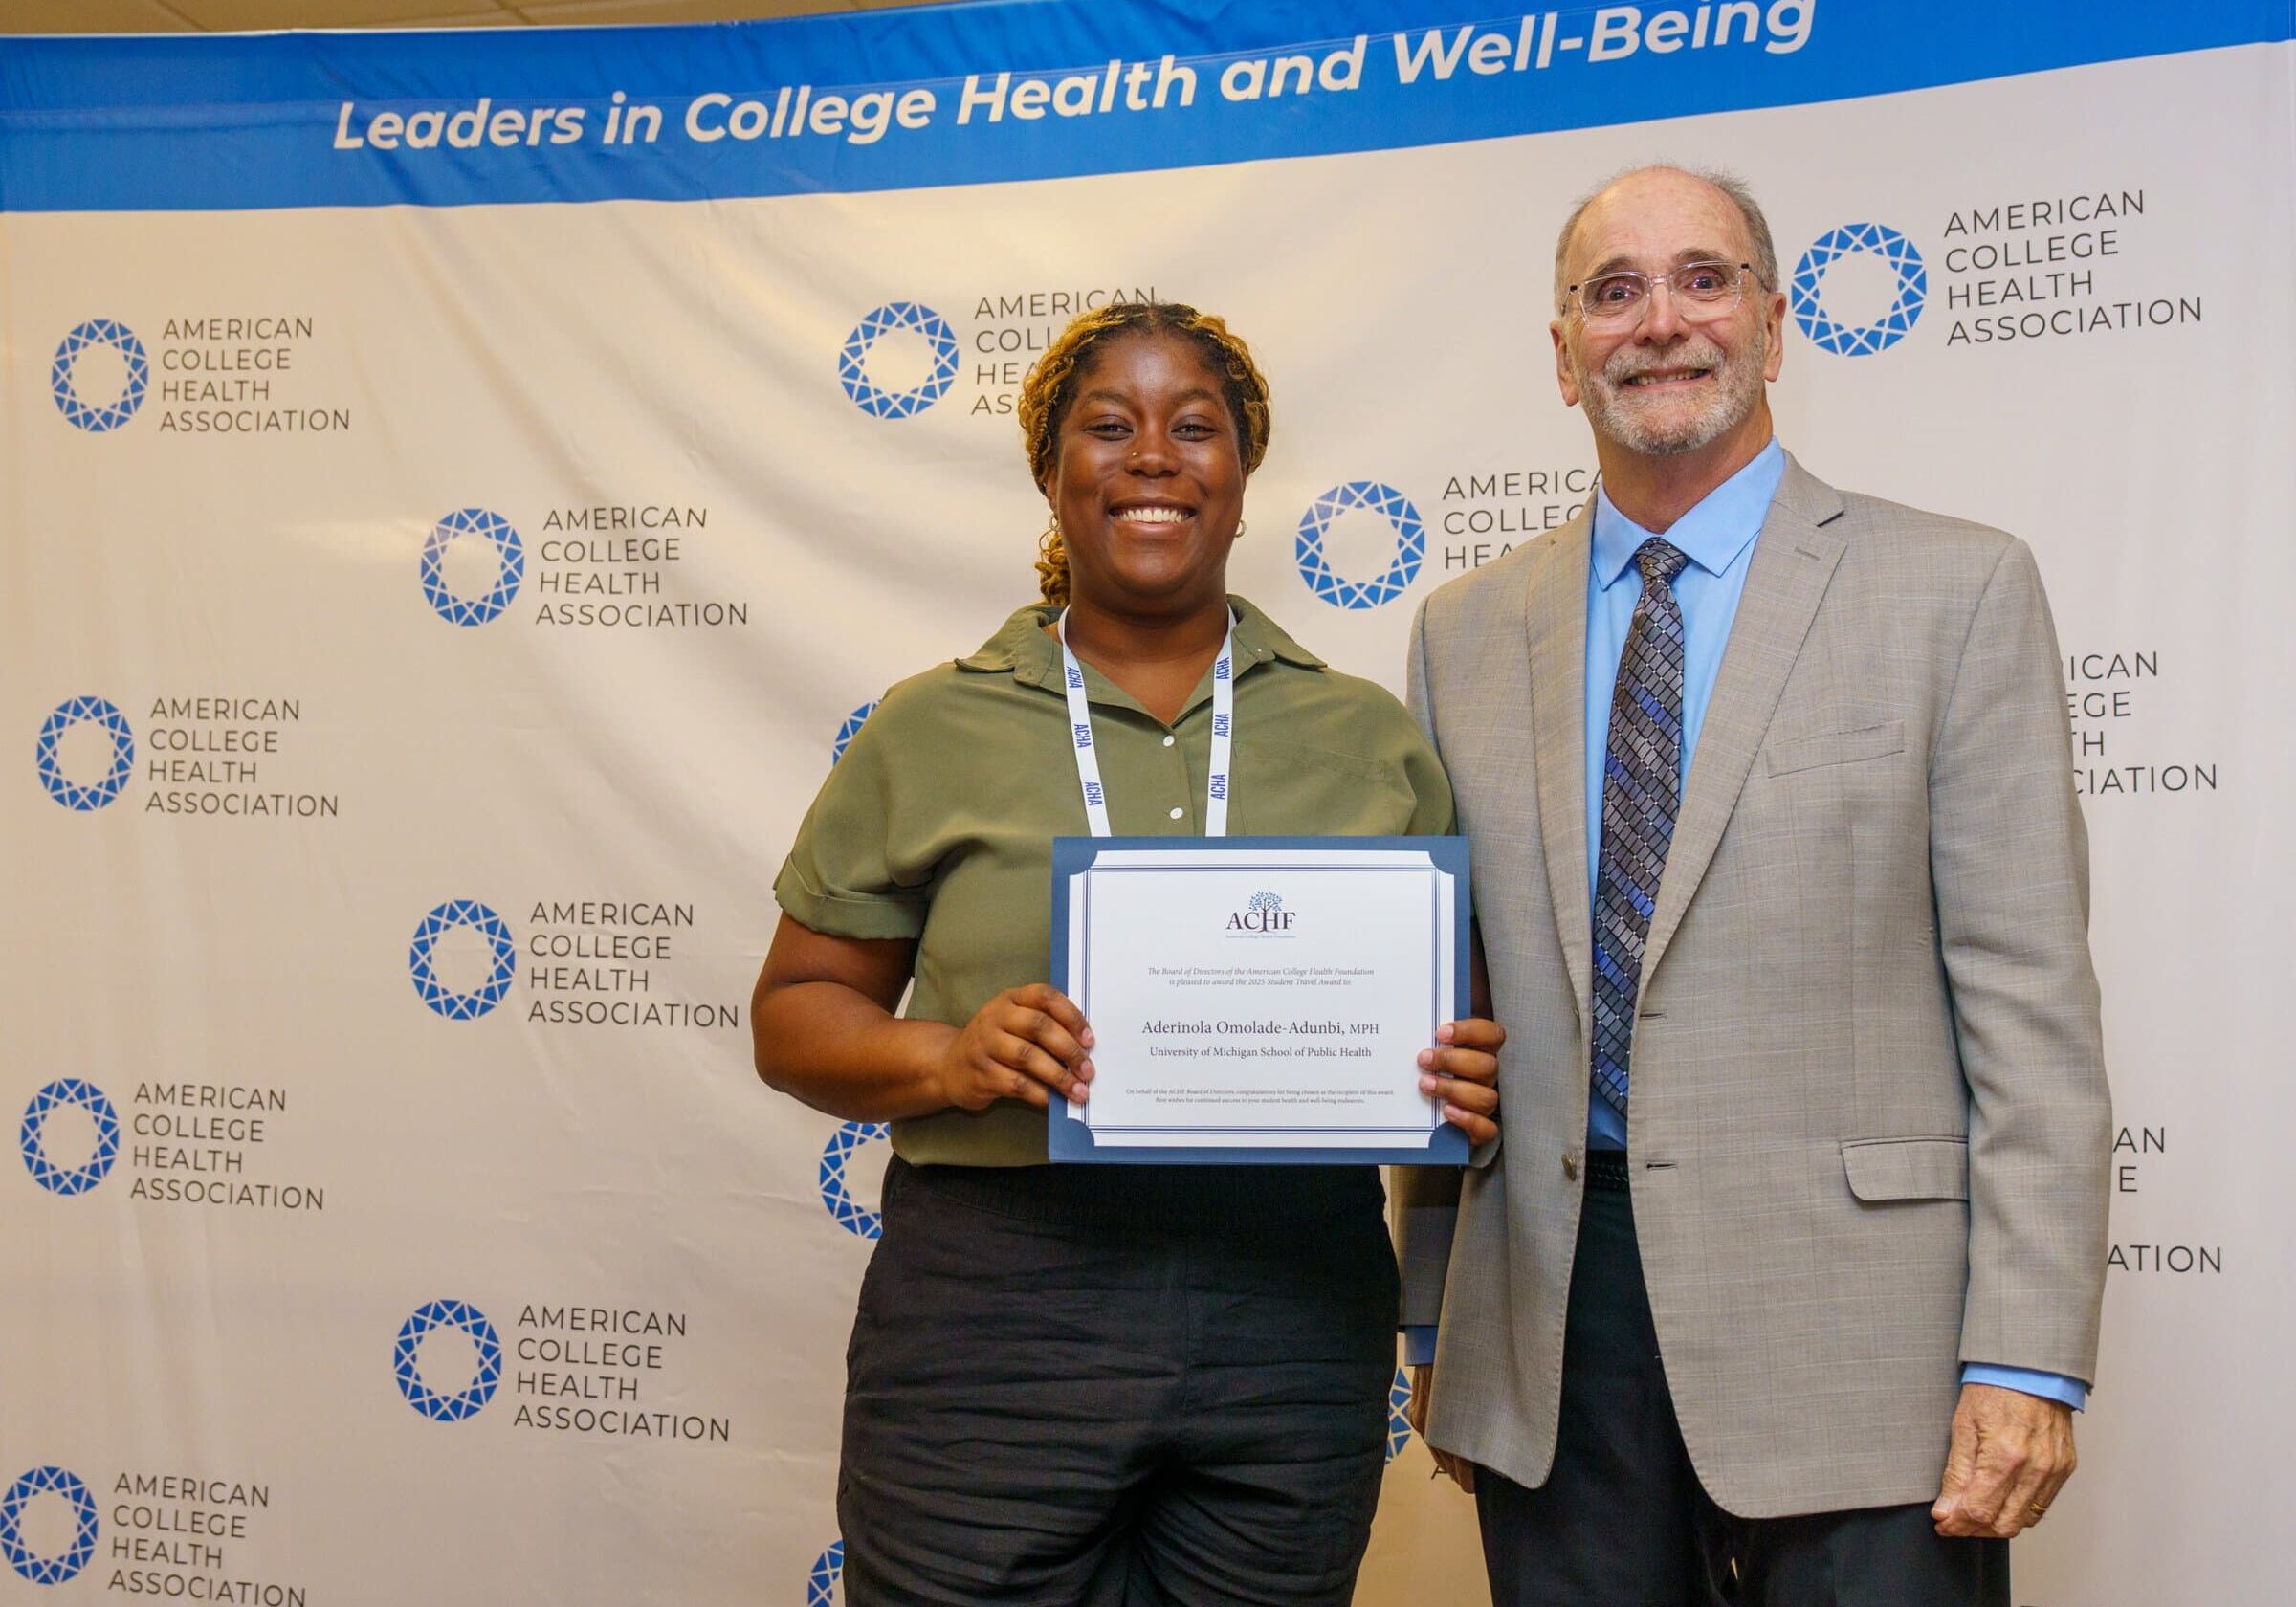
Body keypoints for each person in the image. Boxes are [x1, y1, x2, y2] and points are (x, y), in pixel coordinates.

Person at [1397, 166, 2110, 1605]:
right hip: (1554, 1336)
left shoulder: (1954, 592)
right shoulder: (1463, 633)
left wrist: (2025, 1357)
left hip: (1866, 1349)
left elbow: (2032, 1010)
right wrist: (1438, 1329)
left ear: (1775, 329)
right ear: (1560, 354)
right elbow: (1448, 1006)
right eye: (1614, 292)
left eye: (1703, 279)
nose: (1660, 322)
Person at [752, 301, 1506, 1606]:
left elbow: (1454, 1041)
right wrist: (949, 1052)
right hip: (999, 1311)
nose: (1152, 455)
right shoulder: (932, 726)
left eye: (1194, 427)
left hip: (1289, 1309)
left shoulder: (1365, 735)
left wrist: (1463, 1078)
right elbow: (795, 1014)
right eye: (1109, 426)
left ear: (1242, 472)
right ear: (1053, 473)